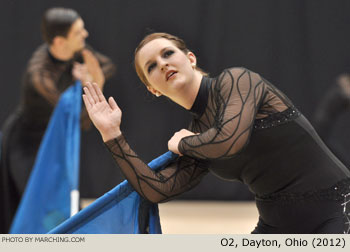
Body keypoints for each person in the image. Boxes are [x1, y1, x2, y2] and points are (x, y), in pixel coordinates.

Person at [82, 32, 350, 234]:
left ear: (190, 58)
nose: (162, 64)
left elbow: (230, 139)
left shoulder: (238, 81)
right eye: (151, 66)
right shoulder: (199, 136)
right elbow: (158, 190)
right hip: (275, 225)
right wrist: (112, 135)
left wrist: (185, 144)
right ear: (153, 89)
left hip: (336, 210)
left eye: (167, 54)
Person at [0, 7, 115, 233]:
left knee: (67, 204)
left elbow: (106, 65)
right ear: (60, 42)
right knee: (37, 207)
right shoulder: (39, 76)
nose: (86, 35)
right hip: (27, 145)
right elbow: (78, 119)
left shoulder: (78, 52)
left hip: (55, 139)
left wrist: (91, 77)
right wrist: (93, 84)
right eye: (78, 32)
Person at [313, 74, 350, 167]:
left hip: (322, 125)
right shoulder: (342, 89)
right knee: (332, 153)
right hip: (321, 125)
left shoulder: (339, 89)